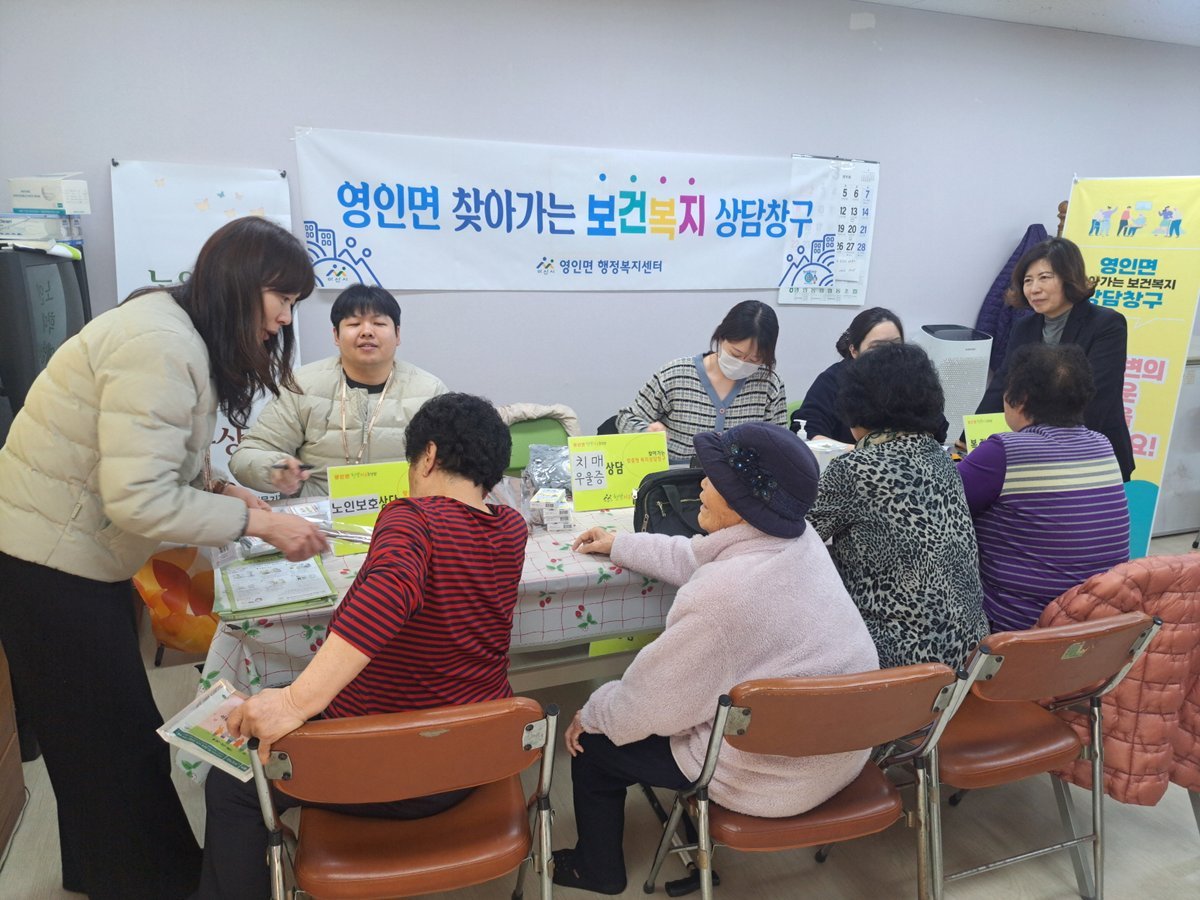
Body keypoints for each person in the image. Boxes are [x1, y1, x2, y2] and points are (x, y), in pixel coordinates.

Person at [0, 216, 328, 900]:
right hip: (50, 563)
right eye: (282, 299)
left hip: (68, 555)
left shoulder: (174, 329)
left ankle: (101, 871)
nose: (283, 320)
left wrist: (225, 489)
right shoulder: (160, 344)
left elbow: (158, 455)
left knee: (91, 734)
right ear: (241, 285)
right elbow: (140, 499)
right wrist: (259, 522)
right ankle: (151, 883)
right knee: (113, 743)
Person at [196, 392, 528, 900]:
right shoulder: (511, 528)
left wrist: (294, 702)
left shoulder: (411, 518)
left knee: (230, 782)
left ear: (428, 456)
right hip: (472, 759)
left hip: (385, 772)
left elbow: (387, 595)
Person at [556, 422, 879, 895]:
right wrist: (621, 544)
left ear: (743, 502)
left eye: (714, 479)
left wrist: (592, 713)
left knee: (593, 746)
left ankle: (597, 870)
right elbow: (699, 556)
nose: (702, 485)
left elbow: (651, 703)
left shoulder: (724, 598)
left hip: (772, 778)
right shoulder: (797, 539)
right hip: (838, 754)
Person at [808, 343, 987, 669]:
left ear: (857, 404)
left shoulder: (855, 470)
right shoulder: (942, 459)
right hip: (967, 654)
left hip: (897, 662)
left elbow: (797, 534)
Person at [958, 344, 1129, 632]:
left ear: (1020, 398)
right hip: (1096, 628)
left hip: (1018, 629)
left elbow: (938, 504)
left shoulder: (1004, 451)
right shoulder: (1102, 446)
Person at [229, 283, 448, 496]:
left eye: (379, 323)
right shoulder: (301, 386)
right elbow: (247, 455)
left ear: (398, 334)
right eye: (354, 324)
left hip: (404, 515)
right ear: (336, 335)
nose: (367, 332)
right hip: (319, 514)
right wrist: (274, 468)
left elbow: (453, 463)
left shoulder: (429, 391)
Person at [974, 237, 1134, 481]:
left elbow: (1097, 396)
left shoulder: (1106, 324)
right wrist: (971, 437)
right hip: (1035, 451)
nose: (1034, 289)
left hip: (1092, 454)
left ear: (1069, 277)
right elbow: (1004, 384)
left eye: (1044, 277)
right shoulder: (1024, 326)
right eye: (1028, 280)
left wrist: (1048, 448)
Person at [616, 300, 787, 462]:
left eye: (754, 359)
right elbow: (626, 419)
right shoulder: (676, 374)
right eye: (736, 354)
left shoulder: (769, 383)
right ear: (721, 337)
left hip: (739, 479)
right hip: (678, 478)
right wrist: (646, 431)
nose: (742, 363)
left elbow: (780, 445)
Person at [790, 306, 903, 443]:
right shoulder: (833, 380)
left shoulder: (912, 382)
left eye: (896, 344)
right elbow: (808, 429)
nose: (889, 353)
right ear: (854, 350)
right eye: (877, 347)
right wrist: (858, 451)